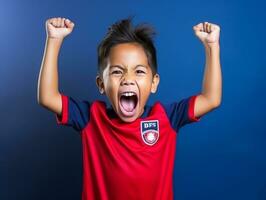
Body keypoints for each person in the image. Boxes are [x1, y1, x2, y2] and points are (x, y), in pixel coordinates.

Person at [37, 16, 222, 200]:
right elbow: (47, 97)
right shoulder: (91, 118)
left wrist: (212, 47)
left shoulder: (167, 117)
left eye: (139, 71)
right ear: (101, 84)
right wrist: (54, 40)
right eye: (117, 71)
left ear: (153, 83)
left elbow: (210, 99)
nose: (128, 79)